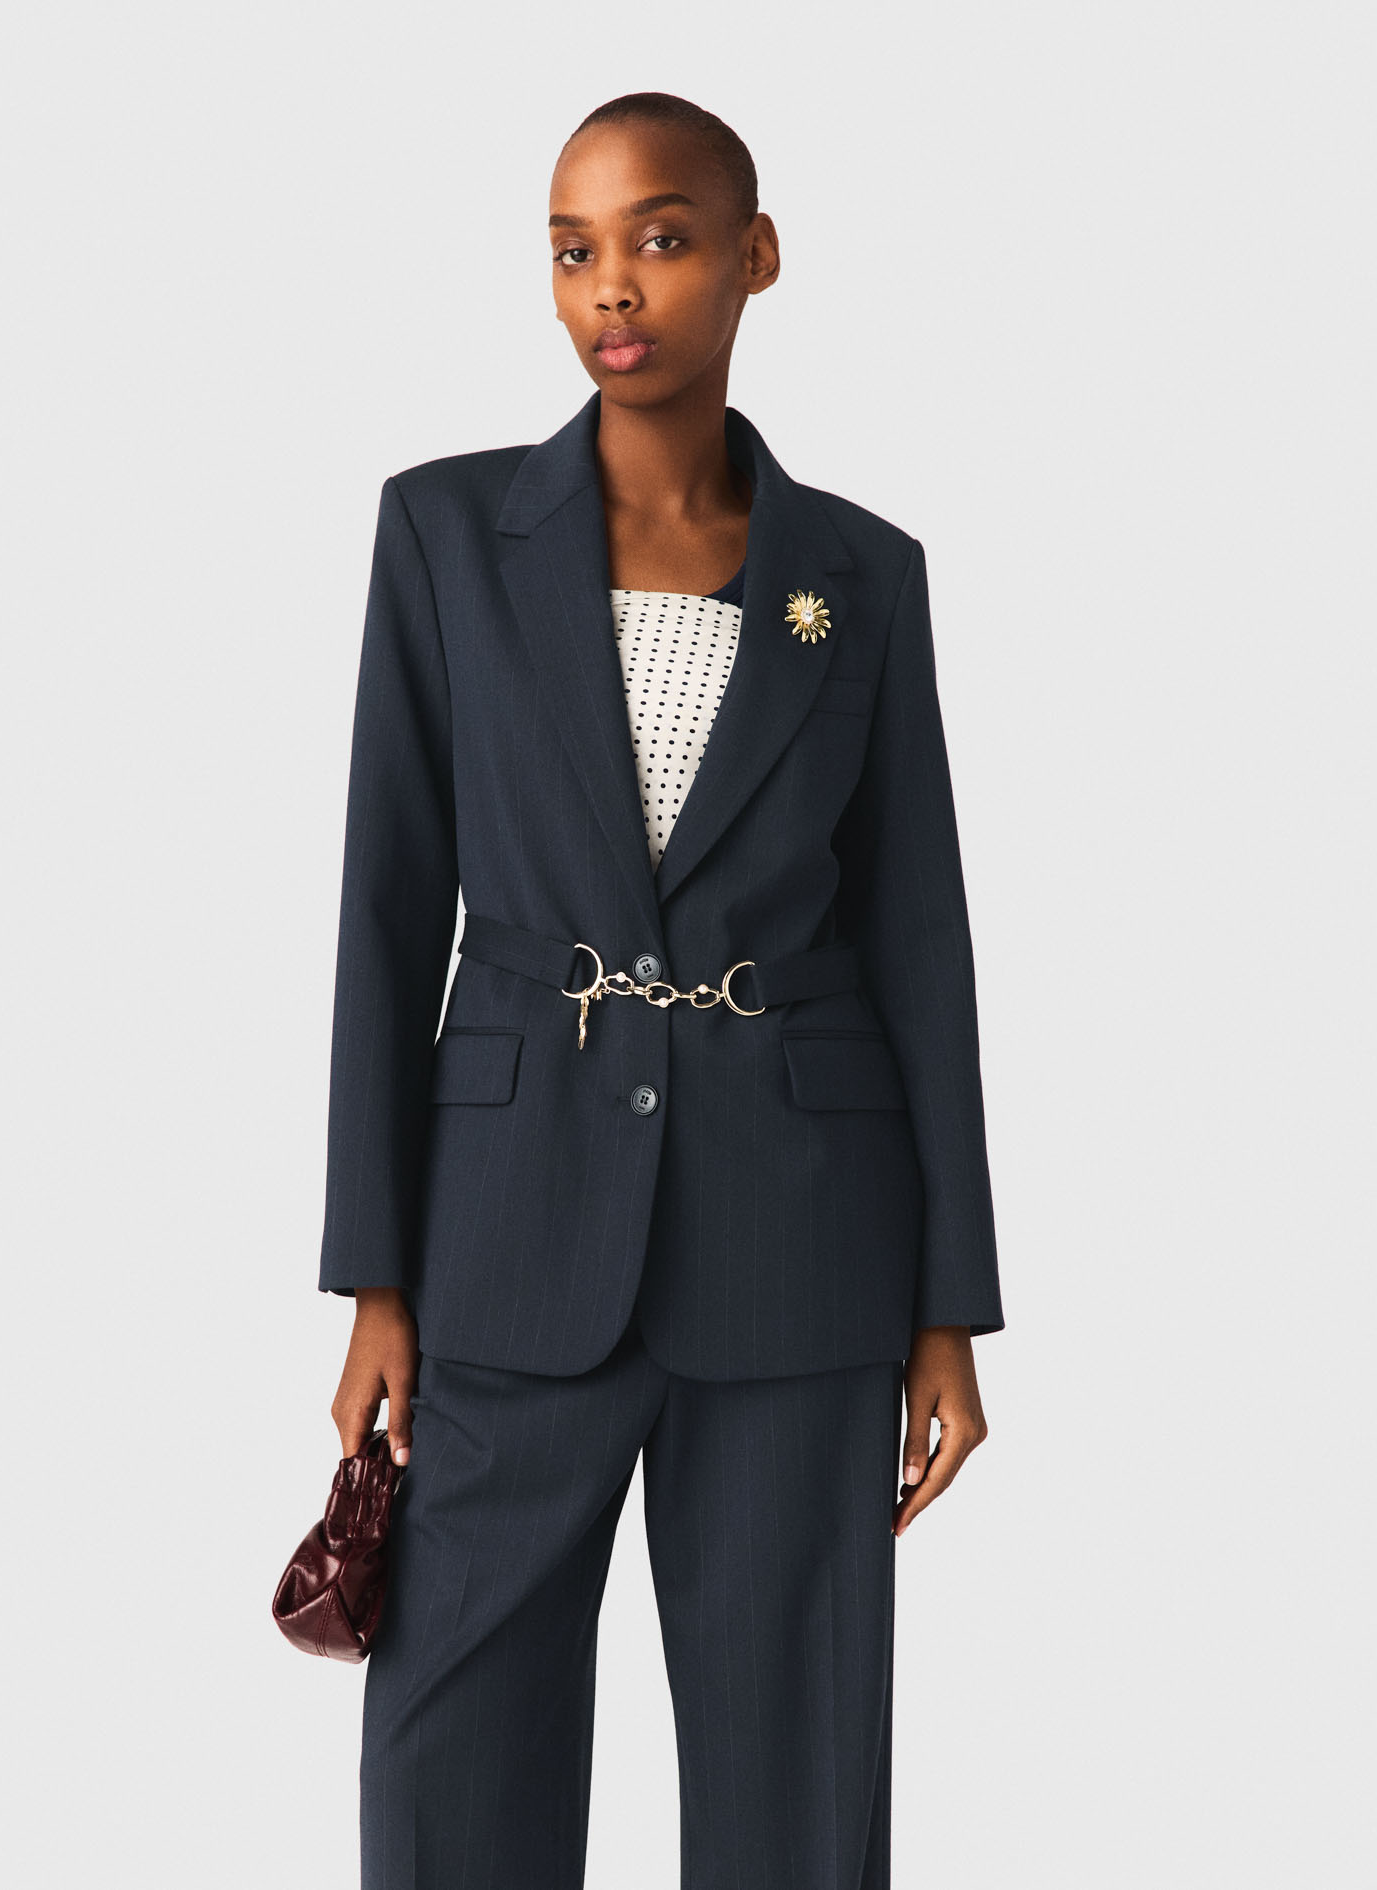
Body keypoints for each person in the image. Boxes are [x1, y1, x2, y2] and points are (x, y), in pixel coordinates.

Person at [317, 89, 1004, 1890]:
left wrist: (948, 1307)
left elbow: (918, 937)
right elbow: (387, 909)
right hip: (506, 1236)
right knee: (449, 1761)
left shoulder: (861, 577)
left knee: (796, 1775)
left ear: (755, 256)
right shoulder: (445, 535)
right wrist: (375, 1273)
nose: (611, 285)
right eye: (574, 249)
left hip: (802, 1246)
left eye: (662, 238)